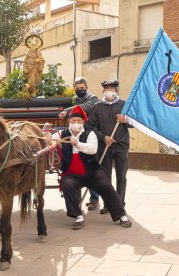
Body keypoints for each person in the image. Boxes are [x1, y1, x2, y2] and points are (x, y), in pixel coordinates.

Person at [44, 105, 131, 230]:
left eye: (79, 121)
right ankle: (78, 216)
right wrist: (50, 140)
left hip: (92, 173)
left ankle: (121, 215)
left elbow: (92, 149)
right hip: (72, 174)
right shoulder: (61, 133)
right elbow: (51, 140)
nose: (76, 123)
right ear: (69, 122)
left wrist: (78, 144)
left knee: (107, 187)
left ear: (83, 122)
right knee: (66, 184)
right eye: (73, 121)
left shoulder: (90, 133)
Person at [88, 80, 131, 215]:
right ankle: (107, 204)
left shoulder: (124, 105)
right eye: (107, 88)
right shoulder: (97, 107)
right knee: (105, 177)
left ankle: (119, 203)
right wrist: (103, 137)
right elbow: (91, 127)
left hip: (121, 146)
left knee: (121, 176)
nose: (109, 91)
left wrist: (125, 120)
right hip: (104, 147)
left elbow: (134, 123)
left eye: (112, 88)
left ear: (116, 90)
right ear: (103, 91)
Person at [58, 77, 99, 210]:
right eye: (77, 88)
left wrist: (68, 110)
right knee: (74, 165)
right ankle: (74, 193)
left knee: (90, 167)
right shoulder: (75, 100)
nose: (80, 90)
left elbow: (85, 107)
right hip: (74, 135)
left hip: (88, 135)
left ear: (86, 87)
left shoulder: (93, 98)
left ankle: (94, 198)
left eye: (82, 88)